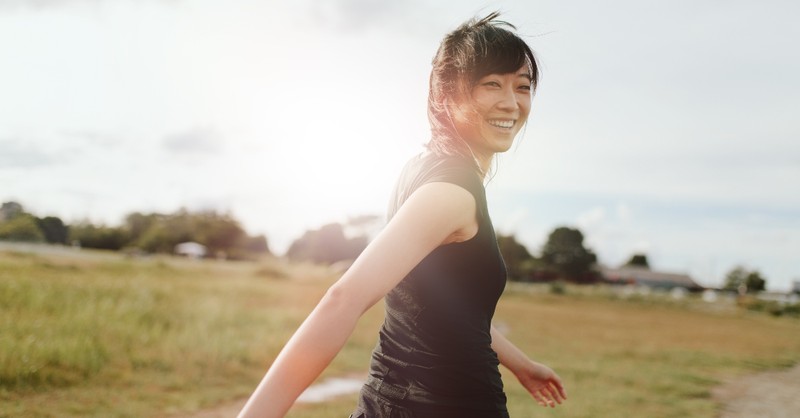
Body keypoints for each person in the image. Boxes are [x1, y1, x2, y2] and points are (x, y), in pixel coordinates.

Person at [237, 12, 567, 418]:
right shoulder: (450, 193)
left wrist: (521, 363)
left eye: (523, 87)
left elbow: (447, 308)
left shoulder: (421, 169)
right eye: (492, 84)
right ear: (448, 95)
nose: (511, 102)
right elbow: (343, 299)